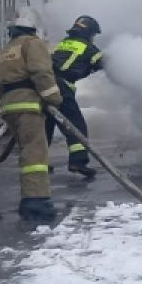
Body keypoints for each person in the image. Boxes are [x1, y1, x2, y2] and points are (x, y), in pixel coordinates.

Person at [0, 8, 64, 222]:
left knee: (26, 153)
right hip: (29, 105)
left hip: (9, 107)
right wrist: (54, 98)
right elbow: (41, 71)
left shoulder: (6, 50)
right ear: (34, 28)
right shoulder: (32, 44)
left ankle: (29, 199)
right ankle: (37, 202)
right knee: (35, 154)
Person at [45, 15, 105, 179]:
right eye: (93, 35)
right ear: (89, 33)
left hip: (45, 85)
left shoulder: (64, 43)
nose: (93, 38)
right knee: (76, 125)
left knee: (46, 125)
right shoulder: (89, 48)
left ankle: (39, 160)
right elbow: (104, 64)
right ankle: (78, 162)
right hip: (61, 88)